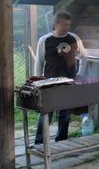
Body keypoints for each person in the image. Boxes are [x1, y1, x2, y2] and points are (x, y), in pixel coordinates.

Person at [33, 11, 86, 144]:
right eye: (64, 25)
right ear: (56, 24)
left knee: (65, 113)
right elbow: (39, 61)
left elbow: (84, 57)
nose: (67, 27)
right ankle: (39, 142)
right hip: (48, 82)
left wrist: (80, 74)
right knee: (46, 113)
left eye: (69, 25)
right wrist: (37, 80)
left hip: (69, 81)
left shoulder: (74, 38)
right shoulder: (45, 40)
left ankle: (62, 140)